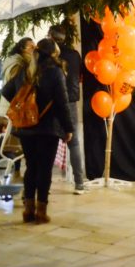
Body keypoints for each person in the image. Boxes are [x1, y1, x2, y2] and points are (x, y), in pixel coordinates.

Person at [2, 38, 74, 224]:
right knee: (44, 170)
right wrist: (68, 128)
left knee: (31, 167)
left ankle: (28, 211)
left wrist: (23, 105)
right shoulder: (56, 72)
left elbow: (6, 91)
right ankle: (41, 212)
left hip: (27, 128)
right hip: (48, 128)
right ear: (54, 54)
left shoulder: (26, 70)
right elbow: (62, 104)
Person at [48, 24, 88, 195]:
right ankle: (79, 183)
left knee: (48, 142)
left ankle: (45, 183)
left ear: (51, 36)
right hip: (71, 101)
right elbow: (80, 77)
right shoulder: (75, 55)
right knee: (74, 144)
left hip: (52, 102)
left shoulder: (49, 55)